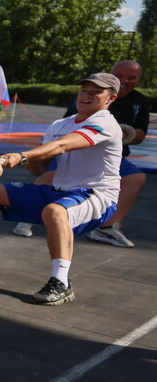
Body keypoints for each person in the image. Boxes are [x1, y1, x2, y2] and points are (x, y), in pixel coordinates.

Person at [0, 72, 123, 305]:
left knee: (55, 211)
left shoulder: (105, 122)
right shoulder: (59, 125)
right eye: (84, 90)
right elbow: (40, 170)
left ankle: (61, 282)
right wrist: (29, 158)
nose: (86, 95)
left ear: (111, 98)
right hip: (60, 191)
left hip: (97, 195)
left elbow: (61, 146)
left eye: (96, 92)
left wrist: (21, 156)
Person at [12, 60, 148, 248]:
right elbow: (66, 130)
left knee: (136, 177)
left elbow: (140, 133)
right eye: (120, 76)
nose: (125, 81)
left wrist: (125, 133)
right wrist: (36, 154)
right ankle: (30, 213)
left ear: (111, 98)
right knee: (52, 173)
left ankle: (105, 227)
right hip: (75, 149)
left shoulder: (139, 102)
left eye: (131, 78)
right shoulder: (83, 102)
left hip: (107, 156)